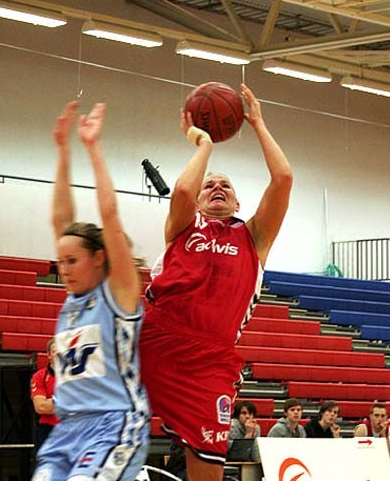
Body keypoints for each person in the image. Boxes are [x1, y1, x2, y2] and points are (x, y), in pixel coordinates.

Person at [139, 83, 293, 481]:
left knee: (206, 471)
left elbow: (283, 179)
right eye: (210, 185)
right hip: (156, 338)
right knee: (102, 429)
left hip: (210, 361)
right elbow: (183, 189)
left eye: (226, 185)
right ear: (199, 201)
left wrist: (258, 124)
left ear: (239, 204)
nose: (217, 187)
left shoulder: (254, 237)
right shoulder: (183, 226)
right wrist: (204, 143)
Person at [32, 101, 150, 481]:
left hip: (114, 425)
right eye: (60, 262)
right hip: (66, 430)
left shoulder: (118, 295)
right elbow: (60, 220)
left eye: (72, 261)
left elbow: (109, 214)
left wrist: (92, 148)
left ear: (99, 257)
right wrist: (63, 151)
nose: (63, 269)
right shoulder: (72, 302)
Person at [30, 338, 59, 453]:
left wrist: (51, 401)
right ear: (49, 355)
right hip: (48, 431)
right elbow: (41, 407)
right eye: (55, 351)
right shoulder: (39, 376)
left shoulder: (79, 377)